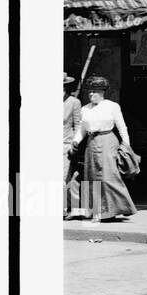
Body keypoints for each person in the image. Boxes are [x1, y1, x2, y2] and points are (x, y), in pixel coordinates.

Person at [73, 75, 137, 223]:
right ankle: (96, 212)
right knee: (92, 177)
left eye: (94, 91)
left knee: (109, 177)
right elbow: (82, 129)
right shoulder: (85, 109)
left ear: (102, 92)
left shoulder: (112, 106)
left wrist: (126, 144)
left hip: (108, 140)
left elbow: (122, 126)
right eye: (90, 91)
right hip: (91, 142)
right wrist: (76, 141)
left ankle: (115, 209)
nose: (91, 94)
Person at [63, 74, 82, 220]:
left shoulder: (74, 102)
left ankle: (64, 209)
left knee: (63, 178)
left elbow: (78, 125)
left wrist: (74, 143)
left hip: (66, 145)